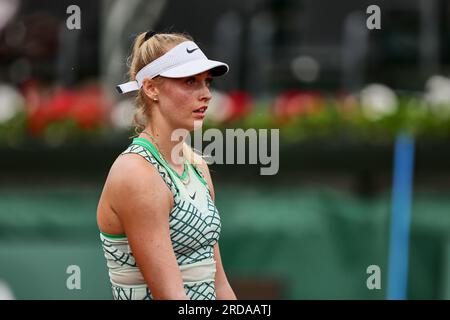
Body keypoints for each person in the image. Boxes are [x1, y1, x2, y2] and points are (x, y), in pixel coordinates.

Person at [96, 31, 237, 300]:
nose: (206, 94)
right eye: (190, 82)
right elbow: (171, 297)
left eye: (206, 82)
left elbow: (220, 286)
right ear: (151, 89)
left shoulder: (197, 165)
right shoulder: (136, 173)